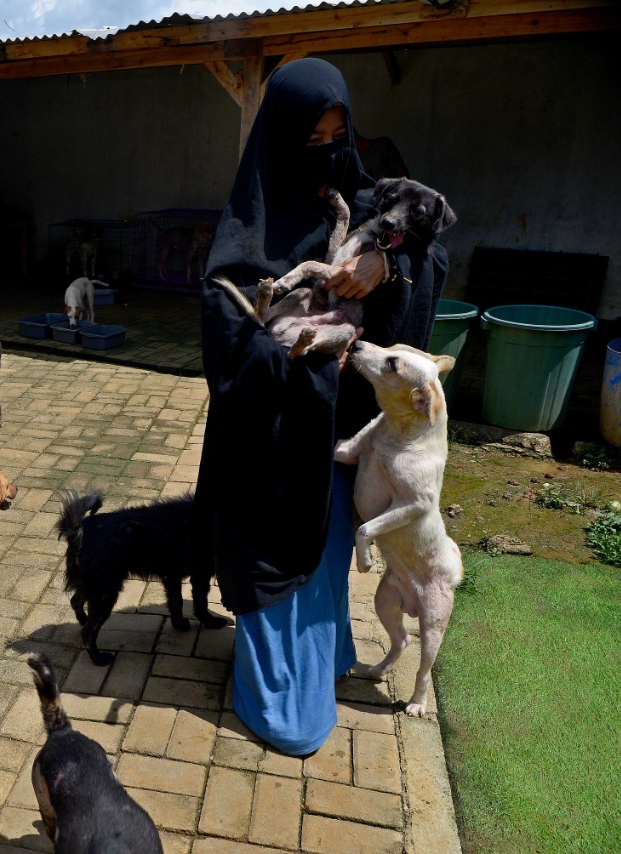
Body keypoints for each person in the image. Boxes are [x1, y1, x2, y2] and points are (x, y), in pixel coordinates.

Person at [195, 58, 448, 756]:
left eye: (342, 133)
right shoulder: (246, 239)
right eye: (315, 139)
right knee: (296, 731)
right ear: (281, 140)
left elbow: (431, 256)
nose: (333, 150)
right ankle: (273, 678)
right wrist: (307, 358)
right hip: (272, 455)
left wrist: (384, 264)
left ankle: (325, 652)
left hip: (336, 446)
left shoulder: (364, 206)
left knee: (330, 559)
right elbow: (229, 355)